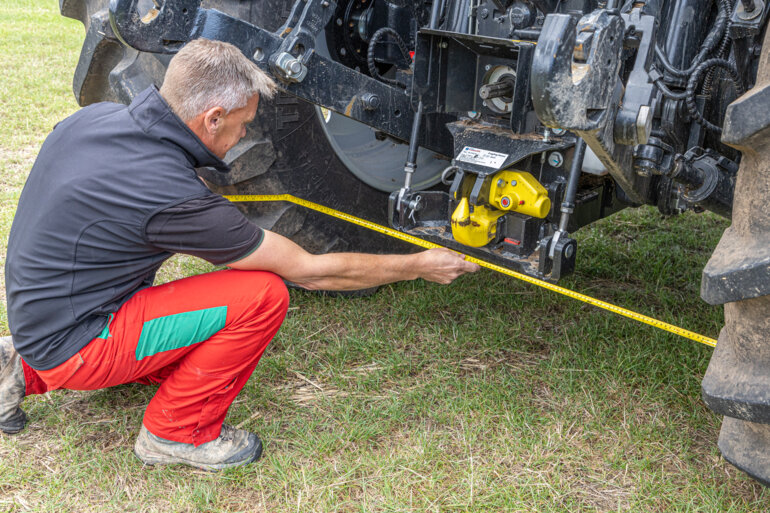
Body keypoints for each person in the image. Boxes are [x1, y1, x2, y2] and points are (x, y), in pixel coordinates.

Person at [0, 39, 479, 470]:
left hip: (39, 315)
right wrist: (419, 265)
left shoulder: (95, 119)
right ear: (212, 117)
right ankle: (175, 433)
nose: (241, 135)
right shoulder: (173, 195)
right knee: (262, 294)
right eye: (242, 124)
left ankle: (13, 365)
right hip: (77, 343)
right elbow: (309, 272)